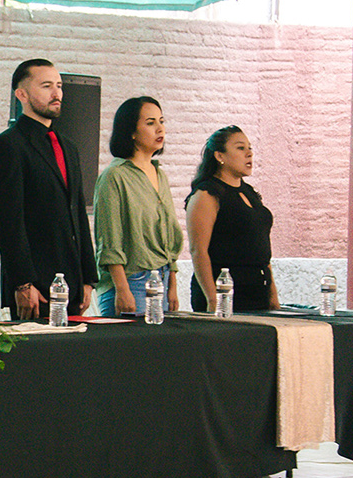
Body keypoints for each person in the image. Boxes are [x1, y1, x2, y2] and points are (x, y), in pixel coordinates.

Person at [0, 59, 96, 320]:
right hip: (35, 284)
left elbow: (78, 213)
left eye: (59, 86)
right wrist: (22, 282)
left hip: (72, 280)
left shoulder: (68, 146)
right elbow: (7, 220)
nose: (57, 93)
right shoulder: (8, 145)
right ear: (21, 94)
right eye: (46, 86)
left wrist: (88, 278)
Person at [92, 96, 184, 317]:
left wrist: (172, 283)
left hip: (161, 279)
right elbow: (109, 238)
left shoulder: (159, 174)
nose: (160, 129)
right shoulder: (114, 176)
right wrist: (122, 289)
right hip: (131, 280)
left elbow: (169, 235)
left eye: (161, 121)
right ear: (131, 132)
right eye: (150, 123)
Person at [187, 125, 280, 313]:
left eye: (250, 148)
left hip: (258, 291)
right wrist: (213, 299)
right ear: (219, 156)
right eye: (240, 148)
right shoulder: (207, 194)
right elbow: (198, 251)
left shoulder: (249, 192)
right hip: (225, 292)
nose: (249, 154)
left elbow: (261, 246)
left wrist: (273, 294)